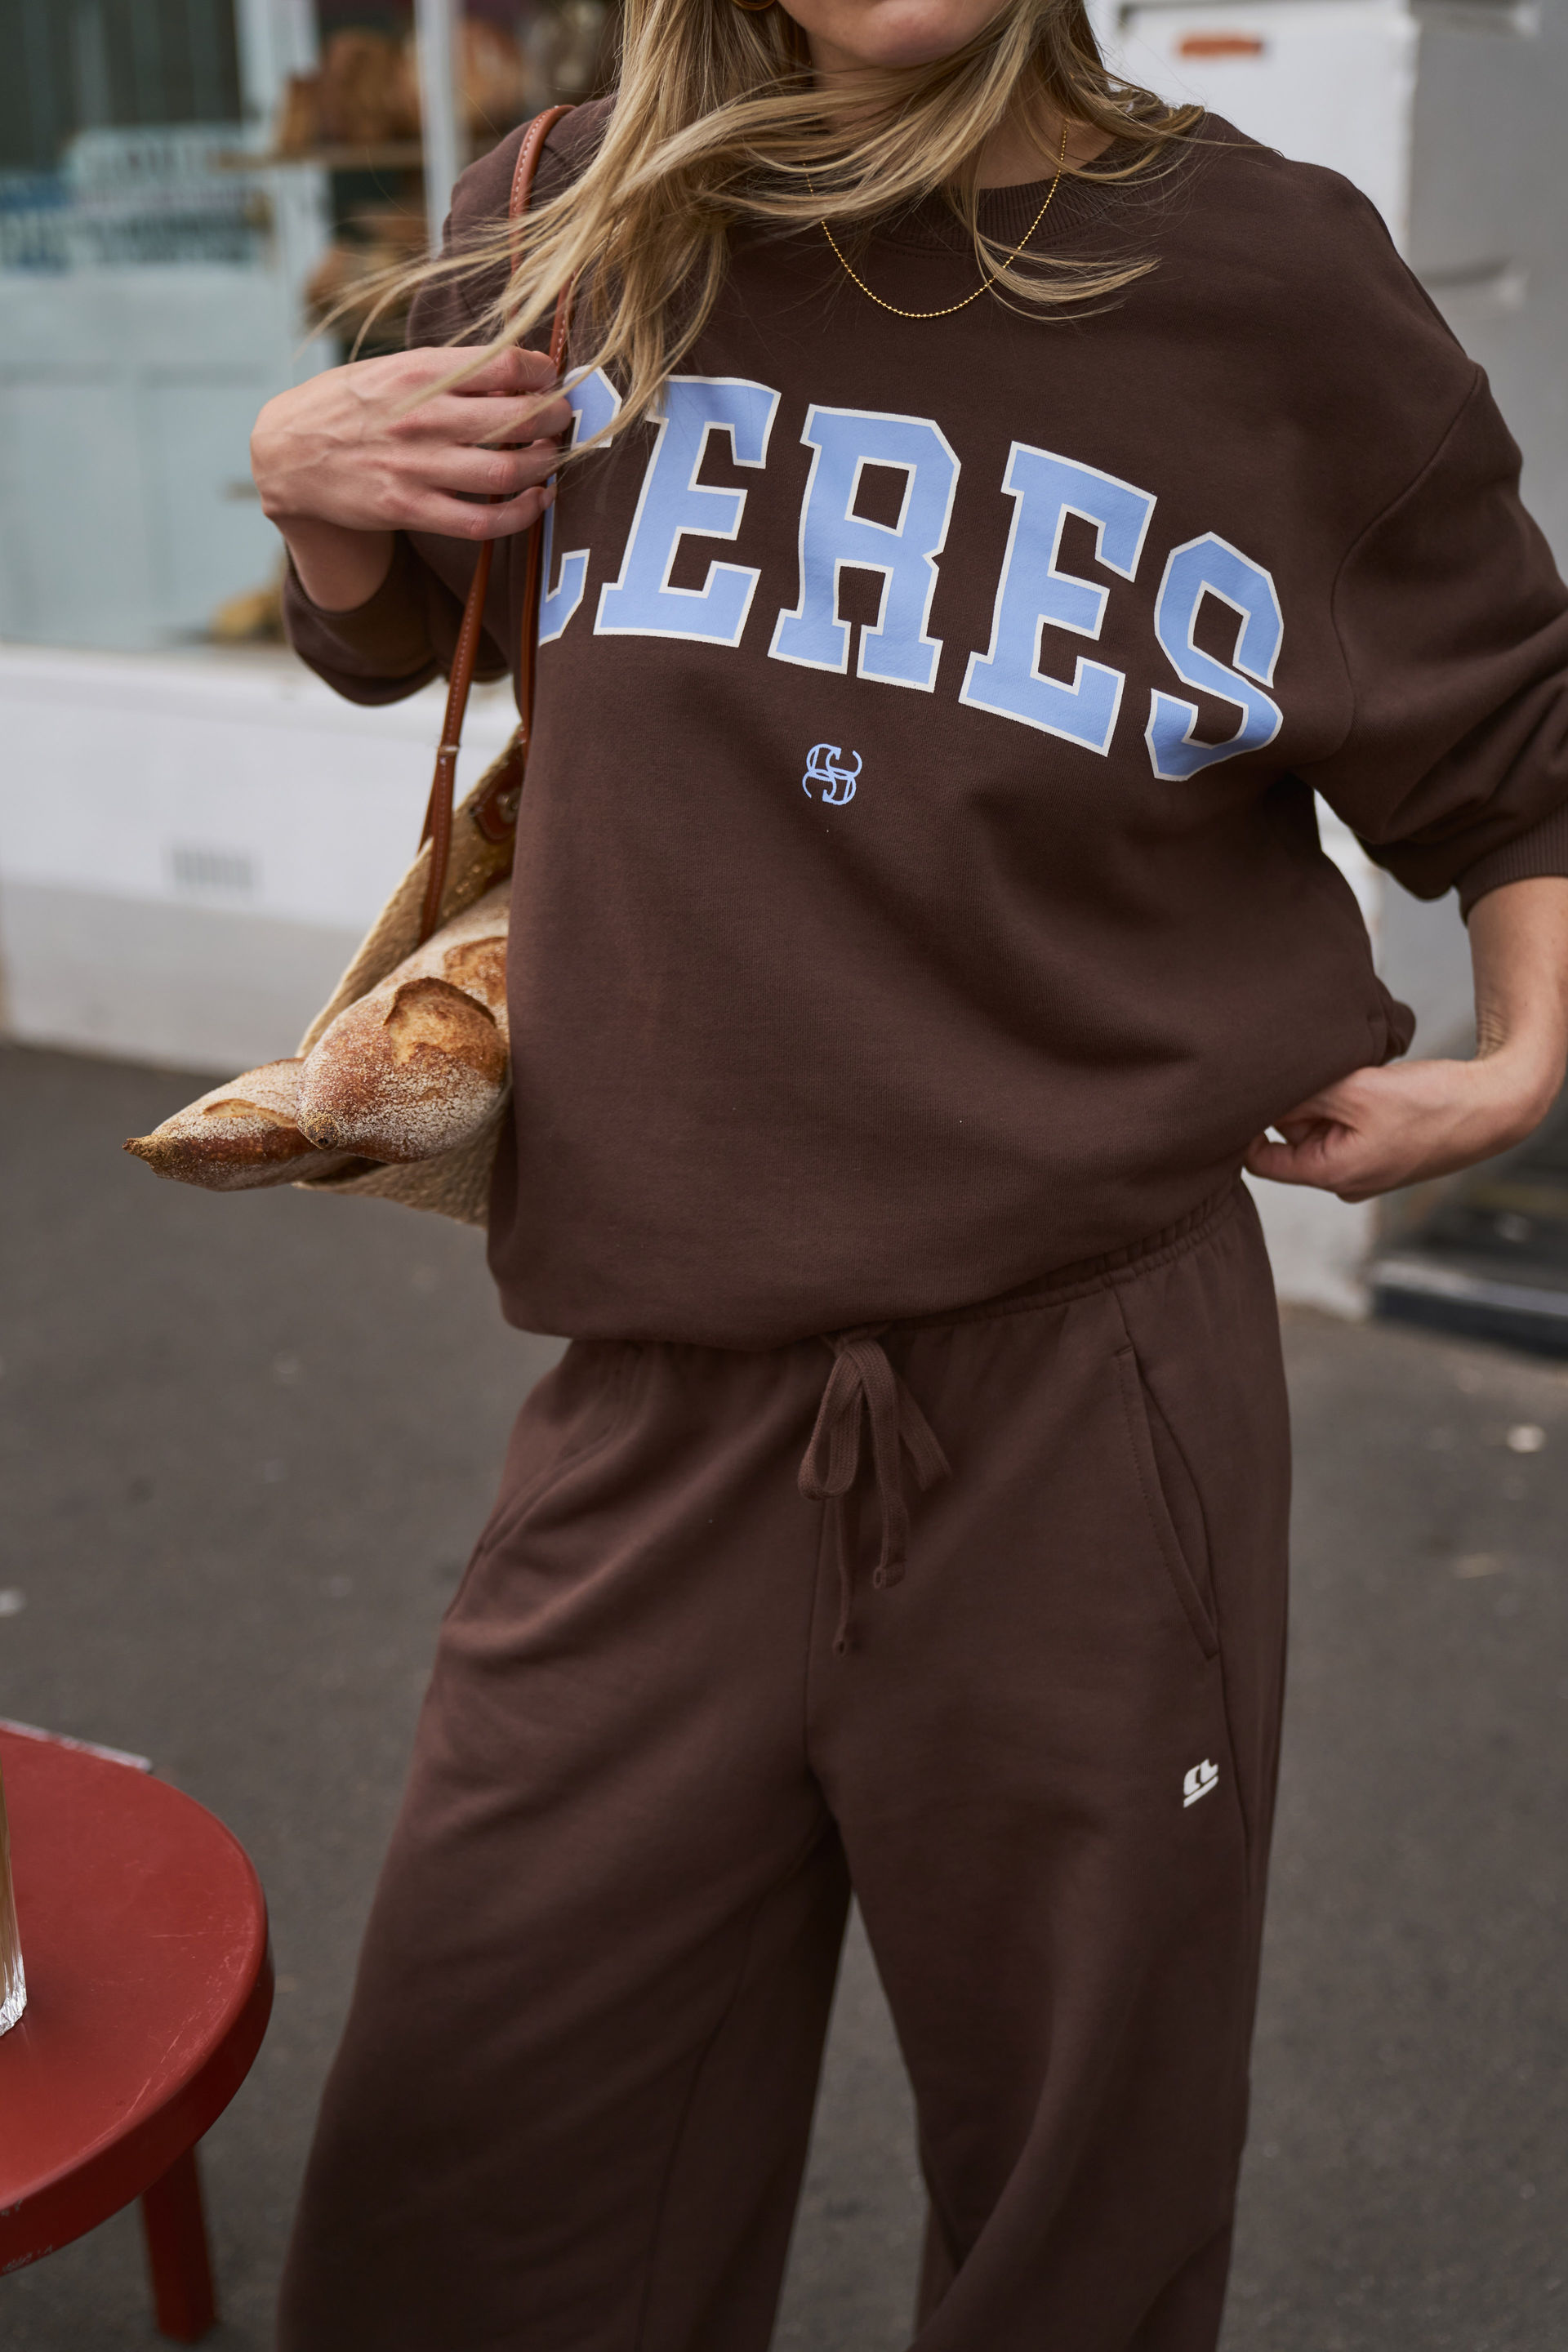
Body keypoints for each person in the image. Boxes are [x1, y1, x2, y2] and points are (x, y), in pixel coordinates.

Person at [251, 0, 1568, 2339]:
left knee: (1084, 2196)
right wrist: (311, 486)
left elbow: (1510, 736)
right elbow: (411, 632)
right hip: (654, 1403)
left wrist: (1525, 1063)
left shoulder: (1265, 272)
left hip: (1097, 1402)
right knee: (478, 2179)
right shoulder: (564, 221)